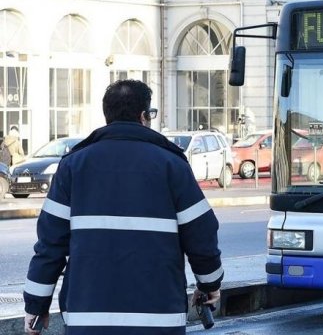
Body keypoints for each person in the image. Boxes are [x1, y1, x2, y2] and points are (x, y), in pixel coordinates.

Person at [23, 79, 223, 334]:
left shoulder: (73, 166)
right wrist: (209, 284)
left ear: (107, 115)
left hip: (89, 319)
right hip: (159, 320)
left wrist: (36, 305)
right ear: (143, 116)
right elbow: (201, 235)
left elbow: (50, 245)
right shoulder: (172, 165)